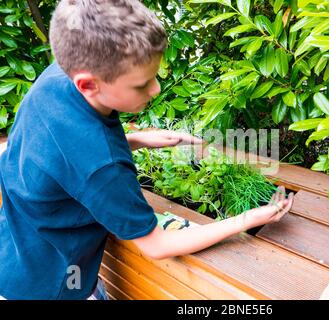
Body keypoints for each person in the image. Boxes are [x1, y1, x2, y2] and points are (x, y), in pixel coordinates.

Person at [0, 0, 294, 300]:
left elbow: (57, 153)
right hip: (52, 288)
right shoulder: (105, 170)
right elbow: (157, 245)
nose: (155, 90)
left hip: (14, 252)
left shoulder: (56, 78)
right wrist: (246, 220)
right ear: (88, 84)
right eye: (141, 85)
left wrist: (137, 140)